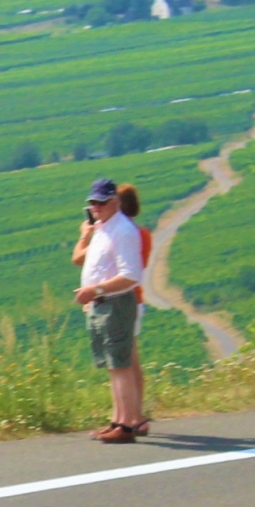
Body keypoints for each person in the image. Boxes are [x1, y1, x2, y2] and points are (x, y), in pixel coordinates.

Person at [70, 178, 147, 444]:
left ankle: (126, 426)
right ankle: (118, 420)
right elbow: (83, 260)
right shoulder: (104, 228)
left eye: (101, 202)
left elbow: (130, 275)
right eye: (93, 203)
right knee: (113, 367)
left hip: (115, 303)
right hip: (102, 304)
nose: (96, 207)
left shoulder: (123, 231)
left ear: (115, 202)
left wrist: (96, 290)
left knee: (121, 365)